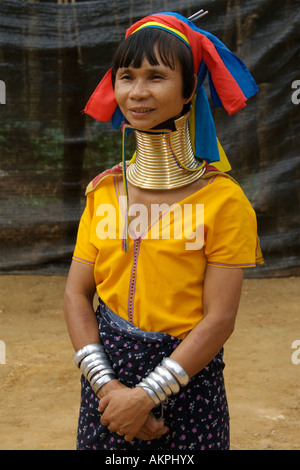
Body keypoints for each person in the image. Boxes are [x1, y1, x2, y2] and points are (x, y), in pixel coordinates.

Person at [63, 11, 264, 450]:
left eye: (156, 77)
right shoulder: (104, 192)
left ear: (190, 87)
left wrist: (146, 396)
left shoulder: (224, 202)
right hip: (105, 391)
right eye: (126, 77)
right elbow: (77, 294)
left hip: (189, 388)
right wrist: (109, 389)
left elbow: (219, 318)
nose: (136, 93)